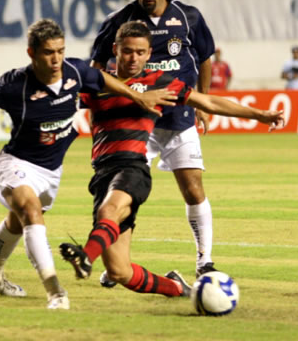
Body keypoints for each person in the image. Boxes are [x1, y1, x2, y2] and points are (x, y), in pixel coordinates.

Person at [0, 19, 176, 310]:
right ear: (31, 53)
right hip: (17, 161)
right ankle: (55, 291)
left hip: (51, 171)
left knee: (18, 220)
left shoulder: (75, 72)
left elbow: (103, 79)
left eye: (60, 51)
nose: (56, 59)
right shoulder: (13, 83)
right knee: (30, 212)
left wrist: (137, 96)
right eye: (47, 52)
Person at [60, 21, 285, 297]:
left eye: (141, 52)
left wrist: (260, 115)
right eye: (128, 51)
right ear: (116, 50)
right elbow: (60, 90)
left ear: (148, 53)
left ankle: (85, 256)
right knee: (120, 271)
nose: (134, 58)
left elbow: (208, 102)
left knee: (110, 211)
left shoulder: (159, 83)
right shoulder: (98, 83)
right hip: (102, 175)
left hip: (132, 168)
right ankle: (180, 289)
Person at [90, 0, 219, 279]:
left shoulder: (188, 17)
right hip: (135, 122)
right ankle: (116, 262)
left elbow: (204, 59)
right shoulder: (118, 21)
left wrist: (202, 102)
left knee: (193, 188)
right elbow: (95, 70)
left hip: (178, 116)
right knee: (125, 192)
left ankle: (205, 259)